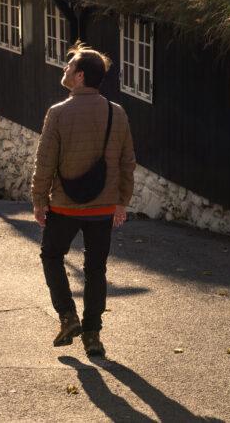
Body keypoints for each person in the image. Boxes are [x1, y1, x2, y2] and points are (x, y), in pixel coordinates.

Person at [31, 41, 136, 358]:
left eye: (69, 65)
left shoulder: (59, 113)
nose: (64, 69)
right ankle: (93, 336)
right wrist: (122, 202)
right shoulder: (115, 113)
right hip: (103, 206)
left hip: (64, 205)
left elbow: (45, 162)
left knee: (52, 256)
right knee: (95, 270)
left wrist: (39, 200)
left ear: (78, 76)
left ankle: (67, 316)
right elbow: (127, 160)